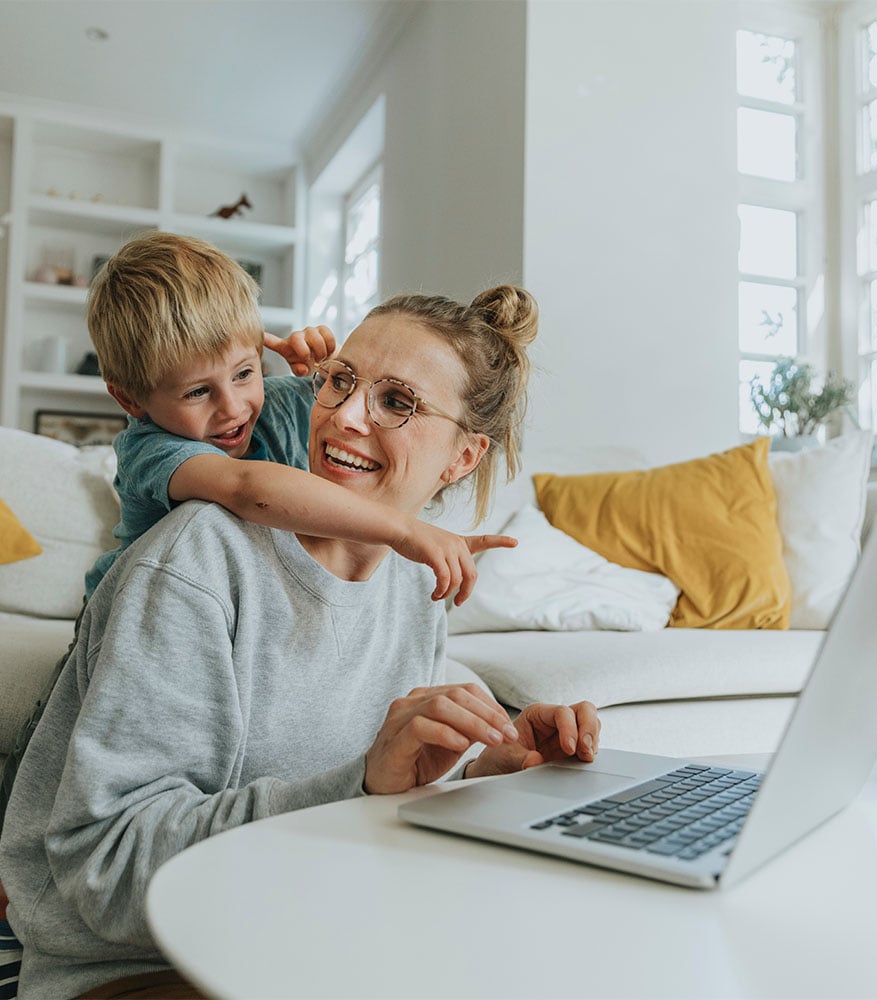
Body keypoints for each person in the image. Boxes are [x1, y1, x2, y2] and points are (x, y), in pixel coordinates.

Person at [0, 284, 600, 999]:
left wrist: (479, 778)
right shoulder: (195, 562)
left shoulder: (413, 589)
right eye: (341, 381)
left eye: (396, 401)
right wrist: (361, 783)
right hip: (145, 968)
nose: (344, 416)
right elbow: (106, 867)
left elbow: (376, 797)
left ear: (462, 458)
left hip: (315, 938)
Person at [0, 233, 515, 829]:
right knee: (41, 776)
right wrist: (404, 529)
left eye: (245, 373)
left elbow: (379, 780)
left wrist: (486, 775)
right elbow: (248, 490)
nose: (233, 409)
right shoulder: (156, 456)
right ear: (131, 400)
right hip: (134, 624)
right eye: (197, 391)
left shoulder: (279, 406)